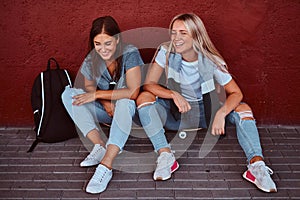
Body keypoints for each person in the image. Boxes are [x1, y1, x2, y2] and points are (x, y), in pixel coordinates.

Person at [136, 13, 277, 193]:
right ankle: (165, 156)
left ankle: (256, 167)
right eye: (173, 32)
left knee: (243, 108)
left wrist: (221, 113)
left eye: (183, 33)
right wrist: (172, 94)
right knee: (143, 98)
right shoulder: (166, 52)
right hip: (176, 113)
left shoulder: (210, 60)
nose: (176, 38)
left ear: (196, 35)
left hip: (206, 115)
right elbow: (149, 85)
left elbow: (236, 93)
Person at [62, 16, 143, 194]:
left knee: (124, 101)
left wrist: (98, 94)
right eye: (98, 44)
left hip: (131, 113)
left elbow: (133, 92)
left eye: (107, 43)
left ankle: (106, 165)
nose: (102, 49)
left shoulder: (129, 53)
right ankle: (99, 145)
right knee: (69, 94)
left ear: (117, 39)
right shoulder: (92, 59)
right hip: (109, 111)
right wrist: (105, 103)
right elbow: (89, 87)